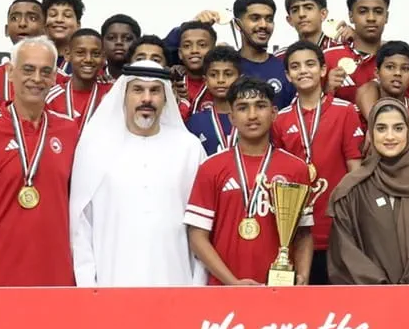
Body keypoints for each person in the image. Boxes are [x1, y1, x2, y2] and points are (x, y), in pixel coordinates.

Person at [0, 37, 80, 287]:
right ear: (11, 73)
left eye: (45, 72)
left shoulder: (69, 130)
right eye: (28, 69)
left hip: (58, 279)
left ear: (55, 78)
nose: (37, 79)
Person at [70, 62, 206, 287]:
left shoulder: (189, 148)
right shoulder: (95, 148)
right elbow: (81, 224)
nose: (147, 99)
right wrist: (87, 286)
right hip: (111, 281)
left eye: (155, 90)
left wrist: (197, 285)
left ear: (165, 98)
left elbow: (201, 225)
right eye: (138, 90)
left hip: (175, 280)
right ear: (123, 95)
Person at [184, 77, 315, 285]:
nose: (252, 115)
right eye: (243, 108)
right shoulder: (211, 167)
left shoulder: (296, 168)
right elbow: (197, 236)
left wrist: (303, 275)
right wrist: (233, 283)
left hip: (280, 290)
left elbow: (304, 233)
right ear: (232, 117)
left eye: (260, 106)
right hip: (224, 290)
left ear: (273, 113)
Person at [328, 98, 409, 285]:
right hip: (370, 305)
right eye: (381, 128)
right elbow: (345, 252)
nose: (390, 136)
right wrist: (383, 290)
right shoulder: (351, 189)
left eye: (398, 128)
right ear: (370, 133)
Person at [275, 42, 366, 285]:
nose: (303, 71)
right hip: (294, 232)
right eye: (295, 66)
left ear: (324, 69)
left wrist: (352, 223)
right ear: (287, 75)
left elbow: (355, 170)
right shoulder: (280, 119)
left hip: (336, 227)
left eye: (310, 64)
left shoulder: (344, 111)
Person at [361, 41, 409, 148]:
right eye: (390, 67)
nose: (397, 73)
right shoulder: (358, 115)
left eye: (405, 68)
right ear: (377, 73)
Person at [324, 0, 391, 101]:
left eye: (378, 11)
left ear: (386, 17)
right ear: (350, 16)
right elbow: (308, 108)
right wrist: (327, 90)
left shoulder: (395, 57)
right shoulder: (329, 57)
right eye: (363, 11)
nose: (371, 18)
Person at [229, 0, 294, 107]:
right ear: (237, 24)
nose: (263, 25)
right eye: (255, 18)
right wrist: (200, 24)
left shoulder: (285, 69)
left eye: (269, 19)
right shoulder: (225, 69)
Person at [0, 0, 44, 108]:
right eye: (15, 18)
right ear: (6, 30)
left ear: (45, 29)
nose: (22, 23)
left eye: (32, 18)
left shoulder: (61, 80)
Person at [186, 46, 242, 155]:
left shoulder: (250, 118)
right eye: (213, 75)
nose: (221, 80)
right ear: (205, 80)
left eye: (228, 74)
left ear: (240, 78)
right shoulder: (195, 122)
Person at [46, 28, 112, 122]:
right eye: (80, 53)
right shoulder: (51, 98)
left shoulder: (113, 93)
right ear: (68, 55)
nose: (88, 59)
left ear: (104, 57)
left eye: (96, 54)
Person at [99, 14, 142, 80]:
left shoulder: (147, 79)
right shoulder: (92, 79)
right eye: (112, 38)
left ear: (138, 43)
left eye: (127, 38)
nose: (119, 42)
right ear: (102, 42)